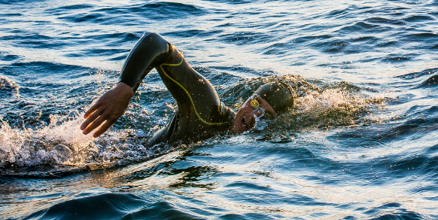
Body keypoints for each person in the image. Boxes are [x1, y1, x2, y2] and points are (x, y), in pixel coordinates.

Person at [80, 33, 294, 147]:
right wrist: (125, 87)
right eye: (255, 104)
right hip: (112, 153)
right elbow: (157, 43)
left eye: (264, 114)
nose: (253, 117)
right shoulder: (207, 108)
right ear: (246, 100)